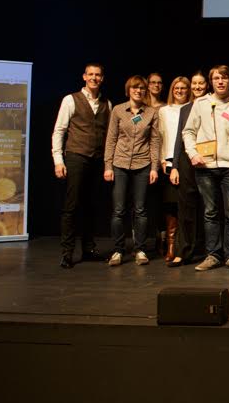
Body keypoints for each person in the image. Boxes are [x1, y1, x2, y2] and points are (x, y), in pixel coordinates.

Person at [182, 65, 229, 273]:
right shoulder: (200, 104)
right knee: (210, 212)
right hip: (205, 166)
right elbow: (188, 132)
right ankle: (213, 255)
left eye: (224, 78)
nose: (220, 82)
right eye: (216, 78)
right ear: (211, 82)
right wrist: (193, 154)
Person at [53, 63, 112, 268]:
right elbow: (59, 131)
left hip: (97, 159)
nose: (94, 78)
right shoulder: (71, 100)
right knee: (71, 206)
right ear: (84, 77)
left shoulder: (107, 103)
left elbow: (109, 136)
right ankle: (67, 252)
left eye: (98, 75)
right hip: (76, 156)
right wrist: (58, 160)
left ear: (102, 78)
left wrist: (107, 163)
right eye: (91, 74)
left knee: (91, 206)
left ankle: (88, 248)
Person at [103, 76, 161, 266]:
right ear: (128, 90)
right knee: (119, 210)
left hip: (142, 164)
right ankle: (118, 250)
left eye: (142, 88)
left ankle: (140, 249)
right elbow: (111, 139)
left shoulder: (151, 112)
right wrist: (108, 165)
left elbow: (154, 141)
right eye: (135, 88)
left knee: (141, 210)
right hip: (120, 163)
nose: (138, 91)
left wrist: (154, 167)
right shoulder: (118, 110)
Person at [168, 71, 208, 267]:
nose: (198, 87)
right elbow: (179, 139)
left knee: (208, 207)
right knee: (185, 208)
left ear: (206, 85)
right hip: (186, 162)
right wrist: (174, 166)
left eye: (201, 83)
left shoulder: (212, 105)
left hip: (208, 159)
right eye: (195, 84)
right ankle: (183, 251)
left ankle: (206, 250)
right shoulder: (185, 109)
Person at [157, 76, 189, 262]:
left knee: (187, 207)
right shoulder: (164, 111)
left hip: (188, 161)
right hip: (169, 162)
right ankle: (171, 245)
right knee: (171, 206)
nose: (179, 91)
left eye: (183, 88)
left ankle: (184, 246)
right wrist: (162, 159)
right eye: (176, 88)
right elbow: (160, 136)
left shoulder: (193, 107)